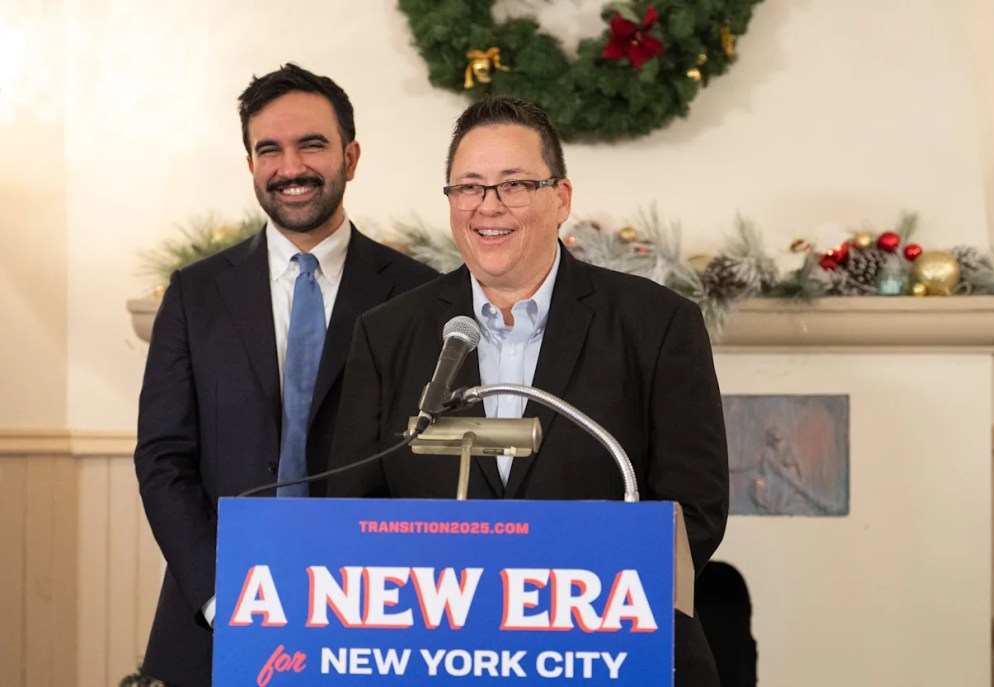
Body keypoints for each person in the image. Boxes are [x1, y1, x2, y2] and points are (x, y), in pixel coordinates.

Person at [326, 96, 730, 686]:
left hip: (609, 655)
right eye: (469, 187)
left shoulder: (657, 324)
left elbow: (694, 510)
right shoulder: (387, 334)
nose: (488, 206)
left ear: (561, 198)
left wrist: (552, 603)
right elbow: (353, 514)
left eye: (514, 185)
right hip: (437, 657)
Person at [134, 63, 437, 687]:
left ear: (351, 157)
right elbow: (162, 458)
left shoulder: (419, 295)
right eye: (268, 149)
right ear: (250, 164)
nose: (289, 167)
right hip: (216, 626)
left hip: (373, 621)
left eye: (312, 144)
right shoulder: (195, 294)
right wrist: (218, 595)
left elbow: (426, 464)